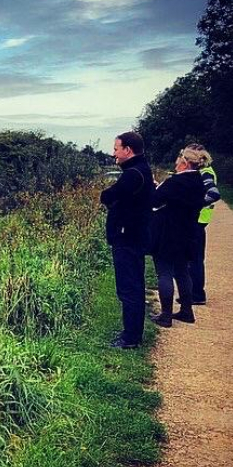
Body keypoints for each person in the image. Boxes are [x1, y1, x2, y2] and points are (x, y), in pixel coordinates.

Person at [100, 131, 154, 349]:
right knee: (135, 285)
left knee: (128, 287)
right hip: (135, 236)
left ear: (128, 150)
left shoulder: (133, 174)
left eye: (116, 149)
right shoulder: (142, 170)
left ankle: (130, 338)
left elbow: (108, 195)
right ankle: (132, 332)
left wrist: (111, 201)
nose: (114, 154)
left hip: (127, 238)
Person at [148, 146, 208, 327]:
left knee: (164, 271)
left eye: (179, 158)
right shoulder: (198, 182)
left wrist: (154, 187)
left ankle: (165, 316)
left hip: (168, 232)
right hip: (189, 231)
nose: (176, 161)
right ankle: (187, 311)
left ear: (184, 162)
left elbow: (155, 200)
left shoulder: (175, 182)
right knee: (182, 271)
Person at [187, 144, 220, 305]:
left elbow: (213, 194)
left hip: (198, 219)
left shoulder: (205, 173)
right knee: (193, 259)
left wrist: (195, 204)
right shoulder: (204, 172)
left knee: (195, 259)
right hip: (199, 219)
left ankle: (197, 294)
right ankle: (193, 292)